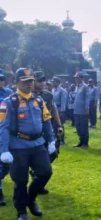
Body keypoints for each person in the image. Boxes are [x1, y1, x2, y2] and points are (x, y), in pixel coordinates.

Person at [0, 68, 56, 220]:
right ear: (16, 82)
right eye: (25, 82)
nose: (29, 84)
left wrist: (51, 140)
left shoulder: (39, 100)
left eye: (31, 81)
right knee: (21, 180)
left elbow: (46, 121)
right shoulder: (9, 102)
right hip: (18, 146)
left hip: (38, 144)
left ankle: (31, 200)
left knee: (46, 172)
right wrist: (4, 150)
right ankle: (21, 211)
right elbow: (3, 127)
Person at [32, 71, 64, 195]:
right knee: (36, 156)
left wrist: (59, 125)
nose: (42, 83)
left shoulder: (48, 95)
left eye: (43, 80)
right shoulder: (28, 95)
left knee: (52, 153)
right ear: (33, 81)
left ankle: (37, 176)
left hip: (48, 128)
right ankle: (37, 181)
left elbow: (54, 109)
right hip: (33, 130)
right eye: (39, 81)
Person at [0, 69, 13, 206]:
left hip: (7, 132)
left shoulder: (9, 94)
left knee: (8, 164)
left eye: (2, 79)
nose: (0, 82)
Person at [73, 71, 90, 148]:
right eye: (76, 78)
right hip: (77, 110)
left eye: (78, 78)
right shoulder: (77, 87)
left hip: (83, 111)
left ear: (81, 78)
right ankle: (81, 141)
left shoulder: (85, 86)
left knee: (84, 127)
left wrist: (86, 108)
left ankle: (85, 143)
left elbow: (87, 99)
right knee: (78, 126)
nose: (76, 79)